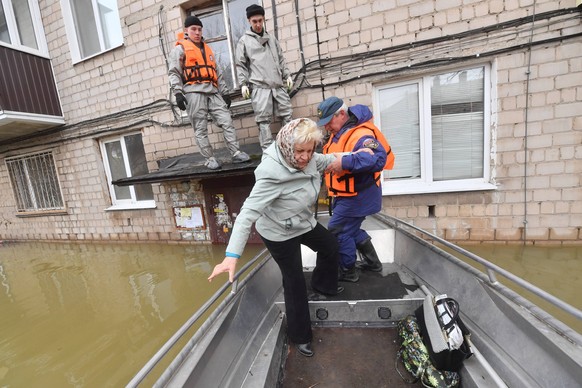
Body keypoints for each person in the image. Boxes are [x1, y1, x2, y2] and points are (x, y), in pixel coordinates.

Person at [208, 118, 345, 358]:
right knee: (294, 281)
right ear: (287, 147)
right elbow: (246, 214)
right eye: (300, 151)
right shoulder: (271, 174)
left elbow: (331, 159)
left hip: (302, 222)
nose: (305, 157)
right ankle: (300, 336)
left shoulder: (312, 159)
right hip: (278, 233)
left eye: (310, 150)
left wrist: (359, 155)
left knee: (331, 245)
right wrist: (231, 256)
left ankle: (323, 285)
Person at [318, 97, 395, 283]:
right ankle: (373, 263)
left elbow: (378, 159)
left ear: (342, 114)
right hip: (344, 195)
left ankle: (348, 271)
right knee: (349, 229)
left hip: (359, 196)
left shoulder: (361, 135)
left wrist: (344, 162)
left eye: (329, 122)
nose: (326, 127)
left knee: (337, 230)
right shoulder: (339, 132)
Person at [168, 15, 250, 170]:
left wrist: (224, 92)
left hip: (212, 92)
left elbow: (217, 72)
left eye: (199, 29)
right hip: (193, 92)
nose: (197, 32)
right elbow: (173, 72)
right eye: (194, 29)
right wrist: (178, 93)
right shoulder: (180, 49)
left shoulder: (207, 49)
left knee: (227, 121)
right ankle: (210, 158)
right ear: (187, 31)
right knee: (200, 128)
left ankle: (236, 152)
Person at [235, 4, 294, 150]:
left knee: (287, 115)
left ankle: (289, 147)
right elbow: (240, 64)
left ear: (264, 19)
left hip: (278, 85)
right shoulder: (244, 41)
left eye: (260, 20)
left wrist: (287, 75)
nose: (258, 24)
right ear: (249, 21)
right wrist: (243, 83)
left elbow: (281, 59)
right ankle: (268, 153)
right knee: (263, 121)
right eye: (255, 21)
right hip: (260, 87)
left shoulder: (272, 39)